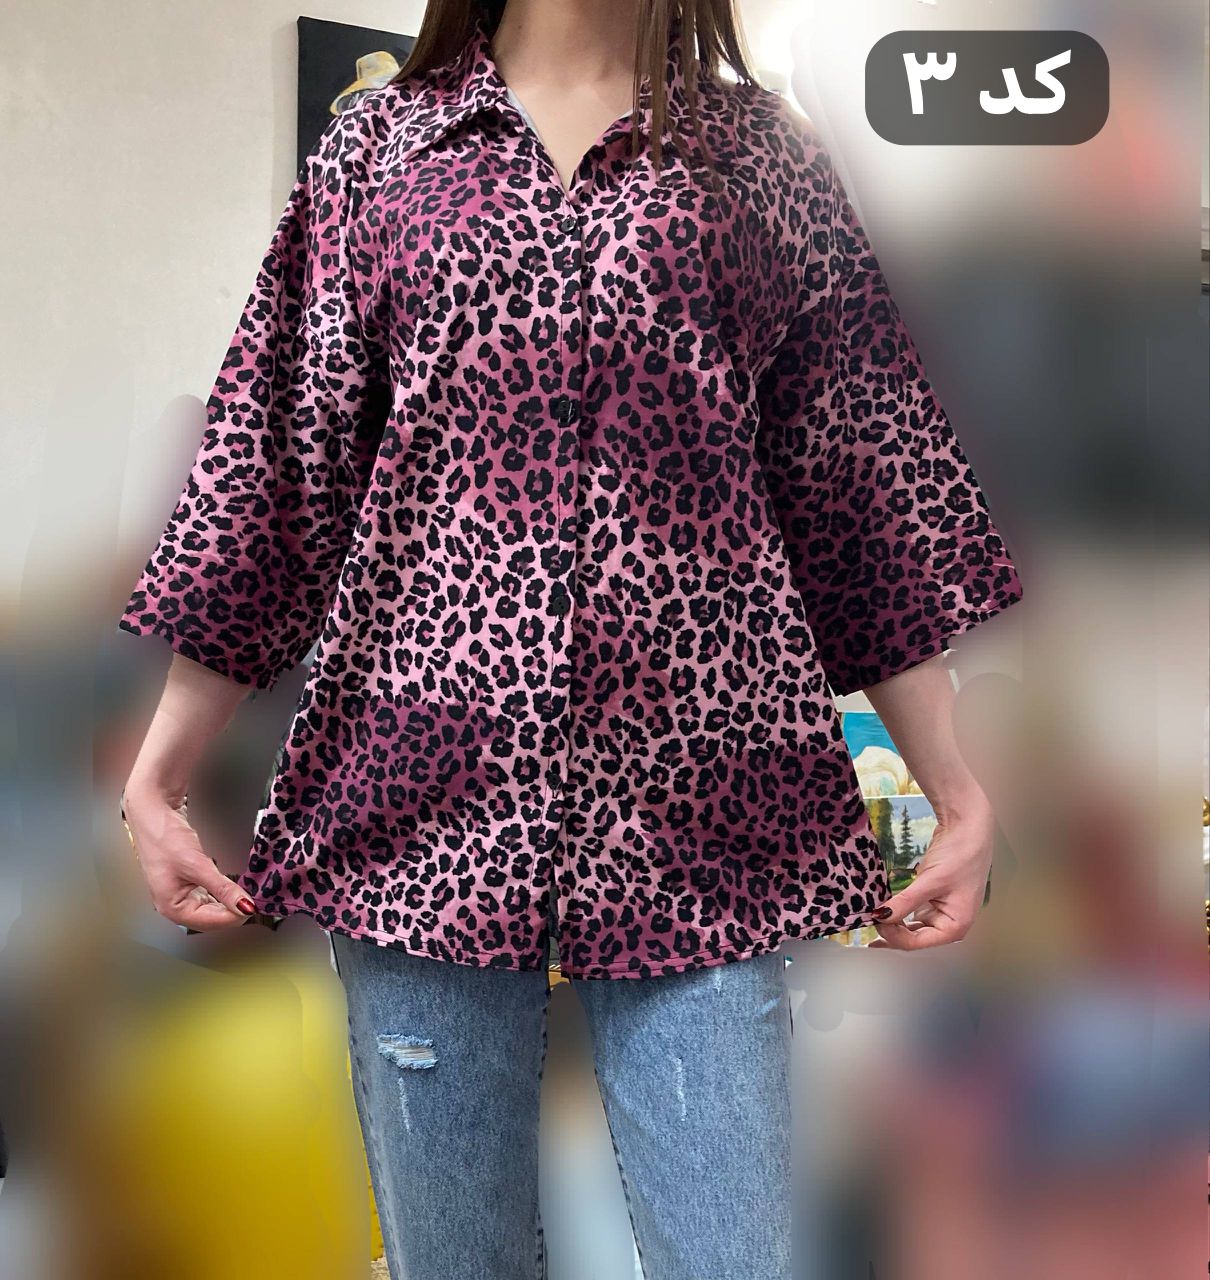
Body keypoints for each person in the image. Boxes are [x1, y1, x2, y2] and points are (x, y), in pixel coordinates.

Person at [116, 1, 1025, 1276]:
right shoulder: (380, 153)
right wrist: (158, 772)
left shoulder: (761, 162)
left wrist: (957, 790)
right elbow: (272, 470)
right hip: (423, 815)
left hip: (708, 820)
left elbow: (859, 487)